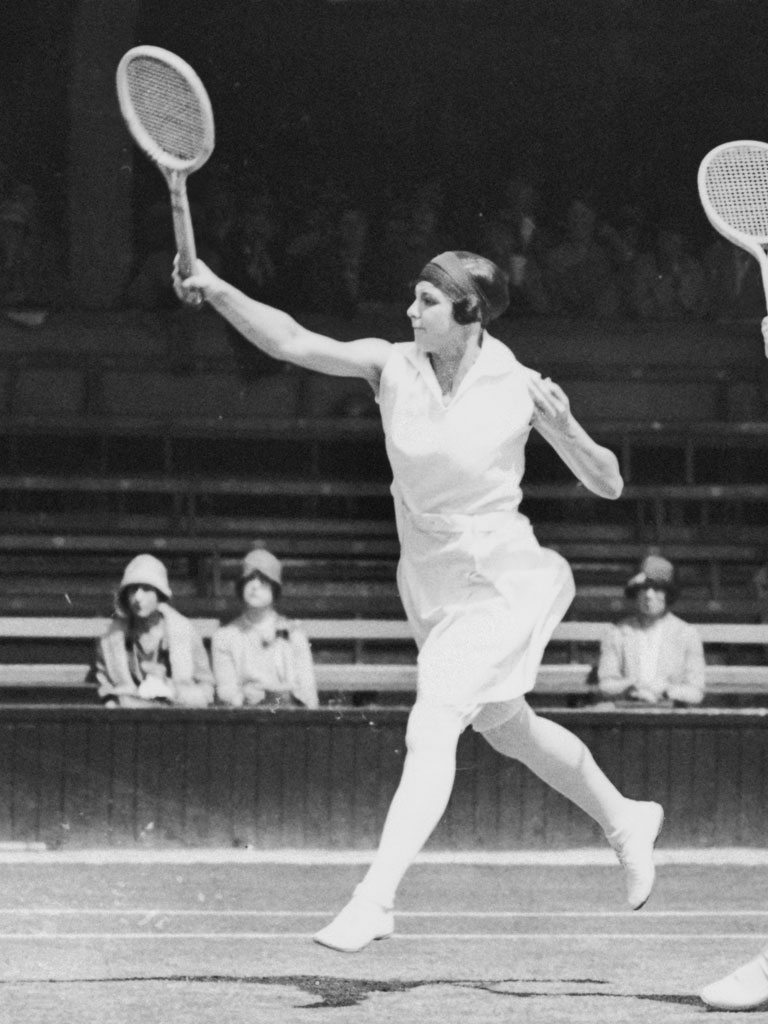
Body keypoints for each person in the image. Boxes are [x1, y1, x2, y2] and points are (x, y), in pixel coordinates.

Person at [173, 247, 664, 954]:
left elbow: (610, 483)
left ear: (469, 314)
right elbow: (288, 340)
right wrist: (216, 286)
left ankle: (375, 898)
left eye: (427, 302)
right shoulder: (390, 363)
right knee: (505, 725)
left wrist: (569, 425)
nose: (410, 311)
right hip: (432, 581)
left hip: (501, 577)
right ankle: (625, 817)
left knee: (433, 719)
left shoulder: (519, 384)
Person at [92, 554, 214, 708]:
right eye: (133, 589)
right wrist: (111, 703)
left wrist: (173, 690)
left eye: (146, 589)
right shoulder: (110, 639)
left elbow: (207, 690)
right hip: (127, 722)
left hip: (177, 721)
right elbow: (104, 684)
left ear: (159, 594)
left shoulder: (185, 632)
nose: (138, 597)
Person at [211, 547, 318, 709]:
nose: (255, 586)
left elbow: (309, 693)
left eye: (263, 581)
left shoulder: (294, 634)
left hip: (288, 715)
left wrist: (278, 695)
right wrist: (243, 697)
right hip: (243, 719)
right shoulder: (224, 636)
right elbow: (225, 691)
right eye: (249, 580)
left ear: (275, 590)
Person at [596, 554, 706, 707]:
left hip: (670, 714)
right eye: (643, 589)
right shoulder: (618, 633)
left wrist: (666, 690)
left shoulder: (686, 634)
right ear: (636, 593)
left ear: (667, 594)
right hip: (628, 709)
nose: (649, 595)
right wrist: (632, 685)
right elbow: (606, 684)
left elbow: (696, 692)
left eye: (657, 589)